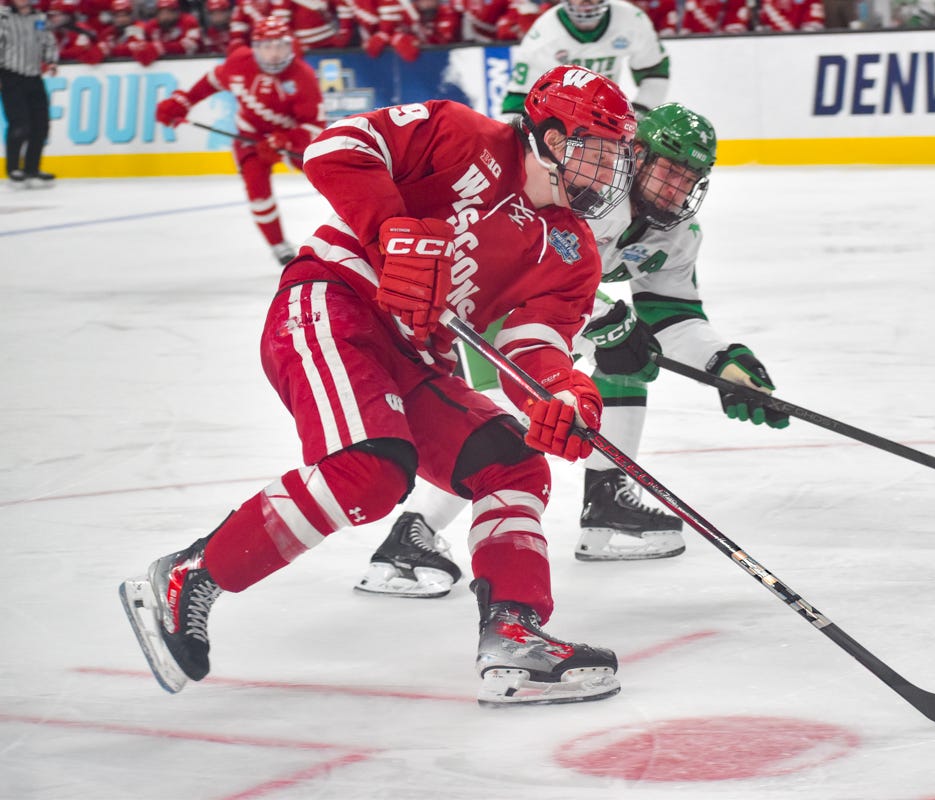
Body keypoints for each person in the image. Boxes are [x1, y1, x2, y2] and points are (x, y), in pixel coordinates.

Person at [120, 65, 640, 706]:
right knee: (371, 471)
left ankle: (513, 634)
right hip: (332, 303)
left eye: (616, 153)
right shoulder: (462, 134)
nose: (608, 169)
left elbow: (533, 345)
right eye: (597, 147)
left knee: (513, 464)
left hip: (417, 358)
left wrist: (559, 392)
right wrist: (390, 230)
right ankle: (190, 575)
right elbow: (335, 148)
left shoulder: (572, 249)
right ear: (550, 135)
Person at [357, 103, 788, 596]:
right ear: (639, 156)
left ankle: (606, 501)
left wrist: (723, 364)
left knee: (627, 362)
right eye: (669, 171)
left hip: (555, 308)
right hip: (489, 298)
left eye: (689, 180)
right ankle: (410, 536)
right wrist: (608, 322)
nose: (676, 189)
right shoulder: (590, 189)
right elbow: (532, 255)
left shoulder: (677, 233)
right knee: (510, 418)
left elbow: (671, 315)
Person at [154, 16, 324, 265]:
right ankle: (279, 246)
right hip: (250, 137)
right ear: (256, 48)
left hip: (291, 139)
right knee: (257, 190)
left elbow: (314, 127)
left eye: (280, 46)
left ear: (290, 45)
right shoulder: (240, 63)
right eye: (267, 46)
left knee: (326, 179)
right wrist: (184, 102)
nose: (274, 54)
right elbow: (212, 80)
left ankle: (357, 227)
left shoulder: (303, 77)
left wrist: (285, 140)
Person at [500, 0, 669, 118]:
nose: (586, 1)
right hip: (561, 118)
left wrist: (640, 112)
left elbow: (654, 70)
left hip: (609, 114)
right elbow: (517, 98)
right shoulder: (544, 34)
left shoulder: (631, 20)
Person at [1, 0, 59, 188]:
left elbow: (48, 41)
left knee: (41, 124)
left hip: (34, 76)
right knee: (20, 124)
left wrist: (50, 61)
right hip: (11, 75)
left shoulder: (39, 17)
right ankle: (13, 169)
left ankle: (32, 168)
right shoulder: (3, 17)